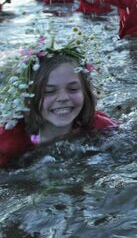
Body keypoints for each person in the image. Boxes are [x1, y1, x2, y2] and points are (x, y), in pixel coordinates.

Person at [0, 32, 117, 167]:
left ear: (86, 93)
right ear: (29, 99)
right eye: (49, 91)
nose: (63, 98)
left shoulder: (101, 128)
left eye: (73, 89)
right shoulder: (8, 142)